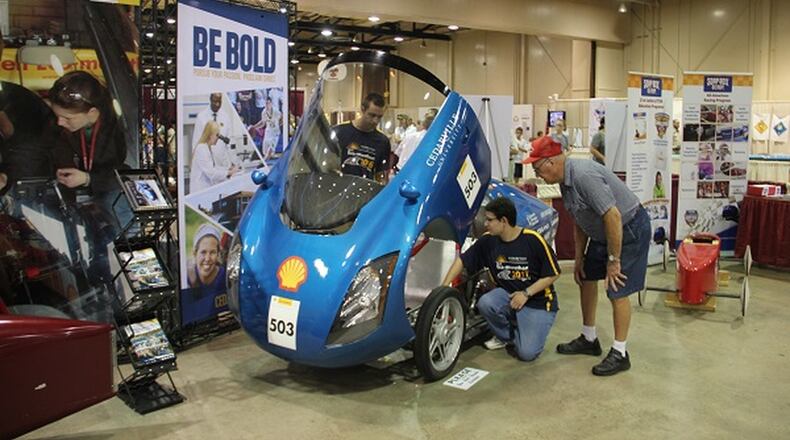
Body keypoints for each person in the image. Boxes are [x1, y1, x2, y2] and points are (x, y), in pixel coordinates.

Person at [525, 136, 650, 376]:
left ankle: (620, 352)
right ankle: (589, 338)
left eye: (537, 167)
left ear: (550, 162)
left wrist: (614, 261)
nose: (536, 173)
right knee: (585, 278)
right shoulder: (564, 180)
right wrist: (580, 256)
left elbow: (612, 216)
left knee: (617, 288)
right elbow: (580, 218)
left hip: (628, 228)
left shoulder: (583, 175)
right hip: (603, 231)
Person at [441, 197, 560, 362]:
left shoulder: (532, 240)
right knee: (486, 303)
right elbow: (462, 260)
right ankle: (508, 336)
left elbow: (553, 273)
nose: (485, 224)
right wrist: (443, 287)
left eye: (489, 220)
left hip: (537, 301)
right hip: (508, 295)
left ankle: (523, 328)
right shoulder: (488, 241)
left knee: (526, 354)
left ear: (504, 221)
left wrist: (526, 293)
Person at [48, 71, 129, 217]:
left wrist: (88, 179)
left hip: (116, 202)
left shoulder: (121, 129)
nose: (60, 122)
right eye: (57, 116)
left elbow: (130, 175)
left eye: (67, 118)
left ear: (92, 113)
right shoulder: (64, 129)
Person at [332, 92, 391, 182]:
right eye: (372, 115)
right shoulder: (339, 132)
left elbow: (381, 174)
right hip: (339, 187)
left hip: (365, 191)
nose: (375, 121)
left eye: (379, 117)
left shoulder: (383, 141)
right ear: (363, 109)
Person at [189, 121, 240, 193]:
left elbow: (214, 167)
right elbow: (211, 173)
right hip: (200, 191)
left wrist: (227, 169)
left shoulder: (206, 148)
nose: (218, 138)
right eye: (217, 135)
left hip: (206, 190)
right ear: (210, 135)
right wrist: (229, 173)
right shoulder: (202, 149)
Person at [187, 223, 226, 299]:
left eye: (212, 252)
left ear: (218, 254)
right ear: (195, 253)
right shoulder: (187, 277)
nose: (207, 258)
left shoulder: (225, 278)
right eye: (203, 252)